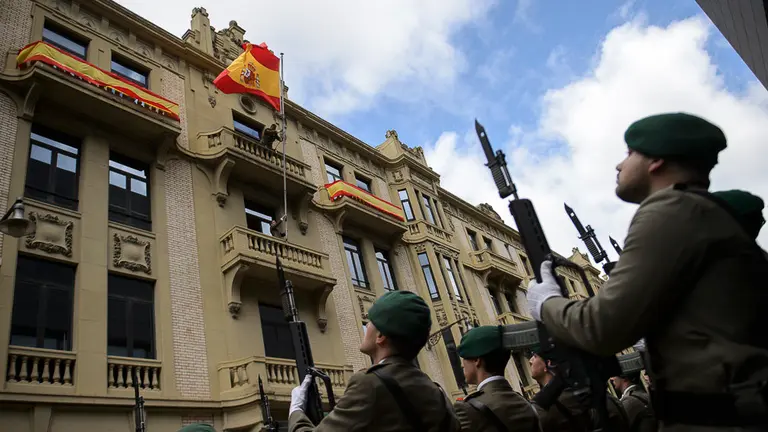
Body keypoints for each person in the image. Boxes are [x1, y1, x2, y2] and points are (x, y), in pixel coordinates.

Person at [526, 112, 768, 429]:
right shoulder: (704, 214)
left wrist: (546, 303)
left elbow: (601, 327)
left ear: (655, 162)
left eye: (629, 154)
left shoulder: (671, 210)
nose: (618, 165)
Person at [288, 290, 460, 431]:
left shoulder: (370, 384)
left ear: (381, 336)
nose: (367, 326)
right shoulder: (438, 394)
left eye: (370, 321)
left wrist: (296, 410)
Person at [453, 325, 540, 431]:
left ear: (477, 360)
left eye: (464, 358)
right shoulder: (527, 405)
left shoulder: (467, 409)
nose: (462, 365)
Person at [529, 352, 629, 431]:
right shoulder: (582, 394)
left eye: (535, 356)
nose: (530, 360)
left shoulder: (556, 402)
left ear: (548, 363)